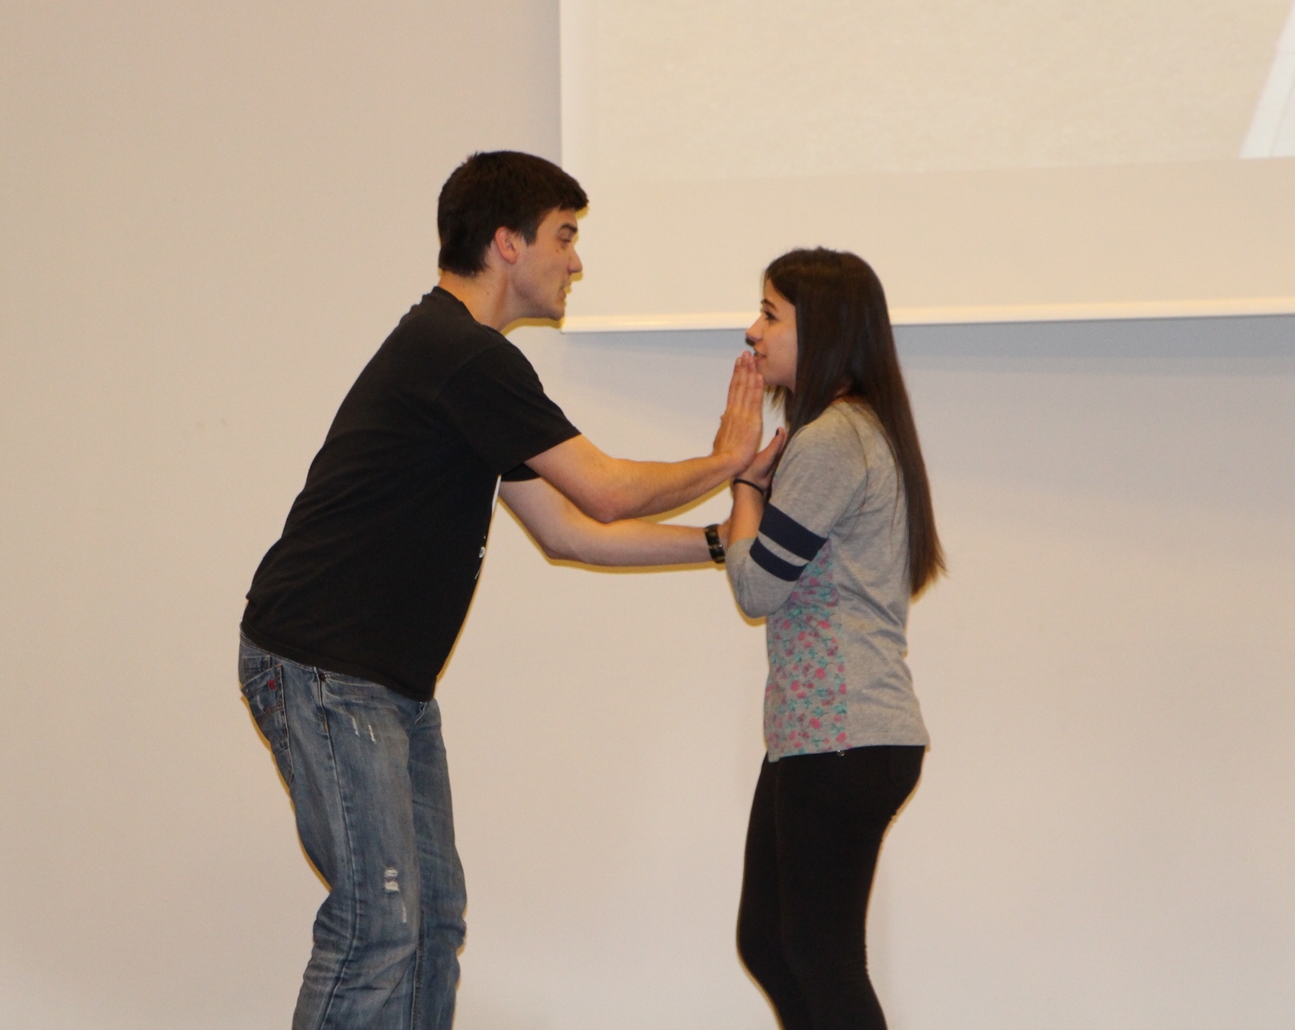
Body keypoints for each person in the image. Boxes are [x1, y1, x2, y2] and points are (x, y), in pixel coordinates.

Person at [238, 149, 768, 1030]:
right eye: (565, 235)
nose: (576, 260)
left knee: (431, 923)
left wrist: (720, 542)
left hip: (382, 682)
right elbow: (605, 489)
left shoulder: (463, 362)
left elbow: (570, 530)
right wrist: (726, 459)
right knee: (378, 925)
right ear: (506, 243)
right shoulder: (460, 353)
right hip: (324, 668)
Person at [506, 247, 942, 1030]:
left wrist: (743, 482)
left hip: (844, 736)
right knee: (771, 942)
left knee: (818, 954)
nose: (752, 332)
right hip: (820, 735)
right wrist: (749, 486)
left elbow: (755, 586)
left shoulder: (833, 438)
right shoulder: (839, 433)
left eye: (771, 315)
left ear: (825, 330)